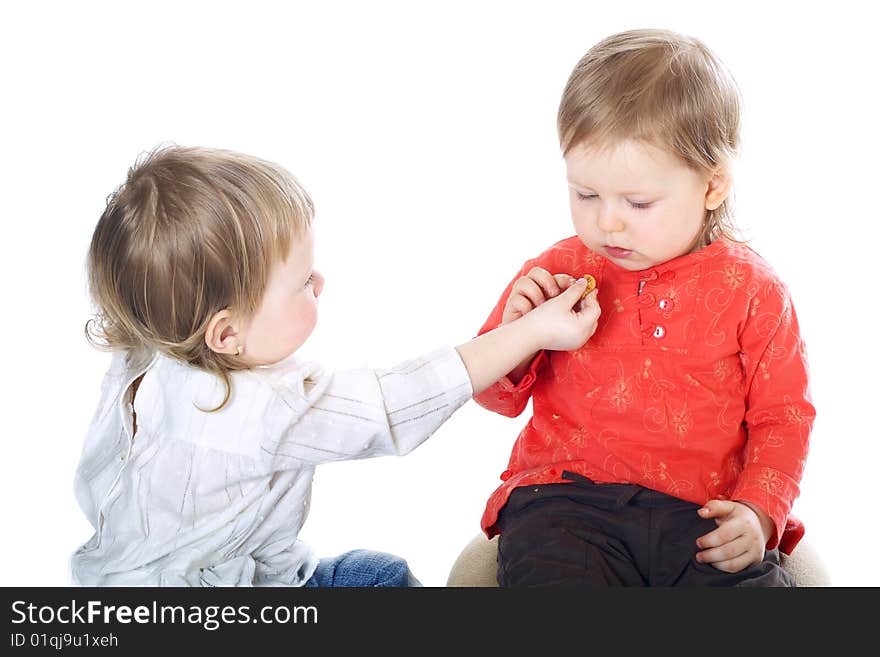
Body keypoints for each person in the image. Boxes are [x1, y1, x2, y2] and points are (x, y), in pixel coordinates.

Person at [71, 145, 601, 587]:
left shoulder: (148, 354)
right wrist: (530, 332)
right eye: (302, 282)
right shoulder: (258, 409)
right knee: (381, 582)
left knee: (373, 574)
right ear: (226, 333)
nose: (319, 282)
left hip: (128, 579)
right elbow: (395, 403)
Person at [473, 29, 815, 586]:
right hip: (566, 502)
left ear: (712, 186)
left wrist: (759, 508)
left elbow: (784, 416)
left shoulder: (754, 289)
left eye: (637, 202)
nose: (607, 221)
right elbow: (494, 394)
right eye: (585, 194)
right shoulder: (559, 269)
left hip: (701, 513)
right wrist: (519, 334)